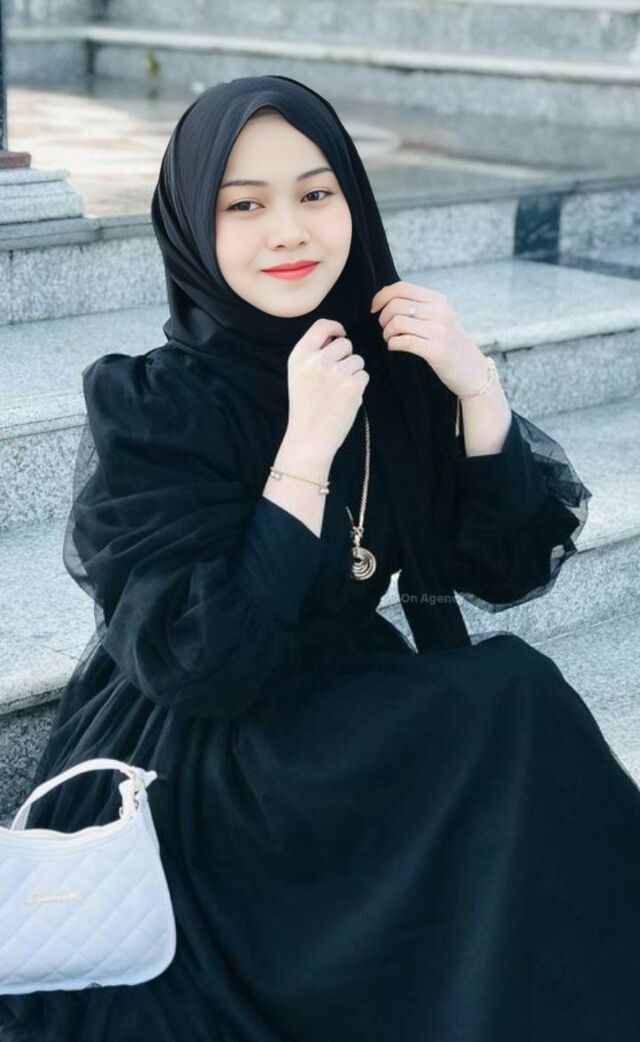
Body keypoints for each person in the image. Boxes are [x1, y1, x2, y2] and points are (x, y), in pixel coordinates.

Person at [1, 73, 639, 1042]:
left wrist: (476, 391)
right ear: (192, 223)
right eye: (244, 205)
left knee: (512, 702)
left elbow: (506, 566)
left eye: (315, 193)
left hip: (345, 703)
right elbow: (201, 664)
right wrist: (303, 448)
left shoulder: (386, 365)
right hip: (200, 747)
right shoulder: (156, 403)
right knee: (506, 705)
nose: (290, 231)